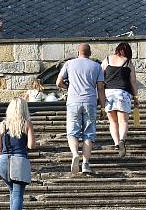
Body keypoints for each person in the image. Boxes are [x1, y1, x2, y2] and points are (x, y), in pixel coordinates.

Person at [0, 98, 36, 210]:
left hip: (3, 162)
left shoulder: (2, 125)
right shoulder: (26, 124)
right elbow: (31, 146)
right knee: (17, 194)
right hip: (19, 160)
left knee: (12, 192)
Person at [56, 43, 106, 174]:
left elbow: (58, 82)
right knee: (89, 133)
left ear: (78, 52)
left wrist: (69, 87)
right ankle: (85, 164)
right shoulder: (97, 66)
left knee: (72, 131)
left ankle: (74, 154)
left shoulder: (69, 64)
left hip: (73, 101)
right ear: (90, 53)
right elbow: (100, 88)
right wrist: (103, 108)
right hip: (90, 102)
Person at [102, 42, 140, 158]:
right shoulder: (128, 63)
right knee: (123, 121)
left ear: (117, 49)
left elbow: (100, 75)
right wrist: (136, 98)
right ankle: (122, 140)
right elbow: (133, 82)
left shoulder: (107, 60)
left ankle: (116, 143)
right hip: (123, 93)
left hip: (108, 93)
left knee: (113, 121)